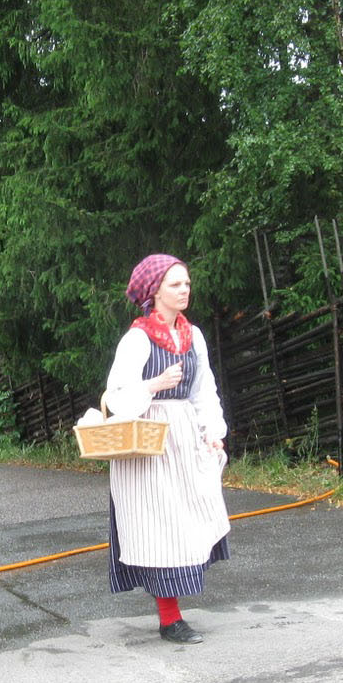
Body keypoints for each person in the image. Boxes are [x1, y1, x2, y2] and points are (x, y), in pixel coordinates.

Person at [103, 253, 231, 644]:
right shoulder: (137, 338)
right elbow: (117, 396)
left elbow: (203, 388)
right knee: (160, 528)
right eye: (176, 284)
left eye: (187, 283)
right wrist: (154, 385)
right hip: (148, 445)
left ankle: (172, 613)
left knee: (188, 521)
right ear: (155, 291)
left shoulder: (194, 337)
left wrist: (212, 431)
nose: (184, 290)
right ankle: (169, 618)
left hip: (184, 438)